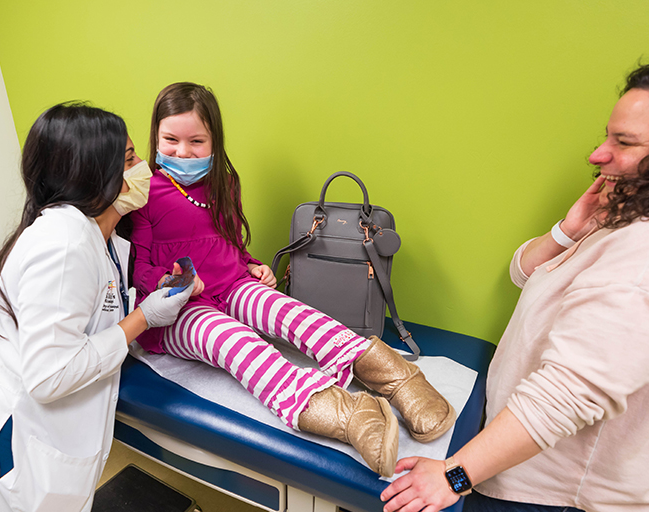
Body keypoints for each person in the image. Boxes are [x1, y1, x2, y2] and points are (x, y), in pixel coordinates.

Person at [380, 53, 649, 512]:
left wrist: (453, 475)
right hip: (610, 483)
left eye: (624, 143)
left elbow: (564, 397)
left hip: (562, 496)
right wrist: (568, 231)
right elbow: (524, 272)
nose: (599, 155)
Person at [129, 82, 455, 477]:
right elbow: (139, 268)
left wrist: (251, 264)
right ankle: (346, 412)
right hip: (176, 312)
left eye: (197, 141)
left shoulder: (224, 181)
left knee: (290, 311)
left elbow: (227, 238)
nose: (183, 152)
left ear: (215, 140)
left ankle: (395, 376)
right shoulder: (144, 191)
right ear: (155, 137)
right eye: (171, 140)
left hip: (230, 283)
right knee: (234, 341)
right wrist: (174, 283)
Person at [0, 103, 192, 512]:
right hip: (18, 439)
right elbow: (49, 375)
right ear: (93, 175)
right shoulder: (63, 243)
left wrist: (139, 303)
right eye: (128, 160)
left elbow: (87, 310)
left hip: (35, 436)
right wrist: (141, 319)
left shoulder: (98, 236)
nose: (142, 169)